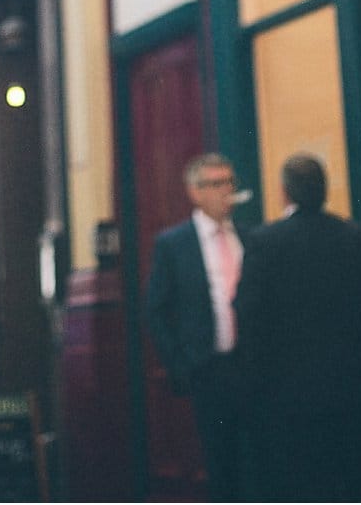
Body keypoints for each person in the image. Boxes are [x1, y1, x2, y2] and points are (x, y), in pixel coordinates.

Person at [234, 152, 361, 502]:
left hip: (288, 397)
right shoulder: (356, 238)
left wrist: (252, 384)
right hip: (352, 390)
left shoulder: (264, 242)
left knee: (300, 485)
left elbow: (249, 316)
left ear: (284, 192)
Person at [146, 154, 250, 502]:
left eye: (229, 183)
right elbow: (157, 311)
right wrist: (181, 366)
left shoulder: (249, 238)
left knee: (254, 461)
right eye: (216, 184)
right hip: (207, 369)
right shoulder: (174, 244)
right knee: (219, 466)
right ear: (195, 192)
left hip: (250, 368)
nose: (226, 192)